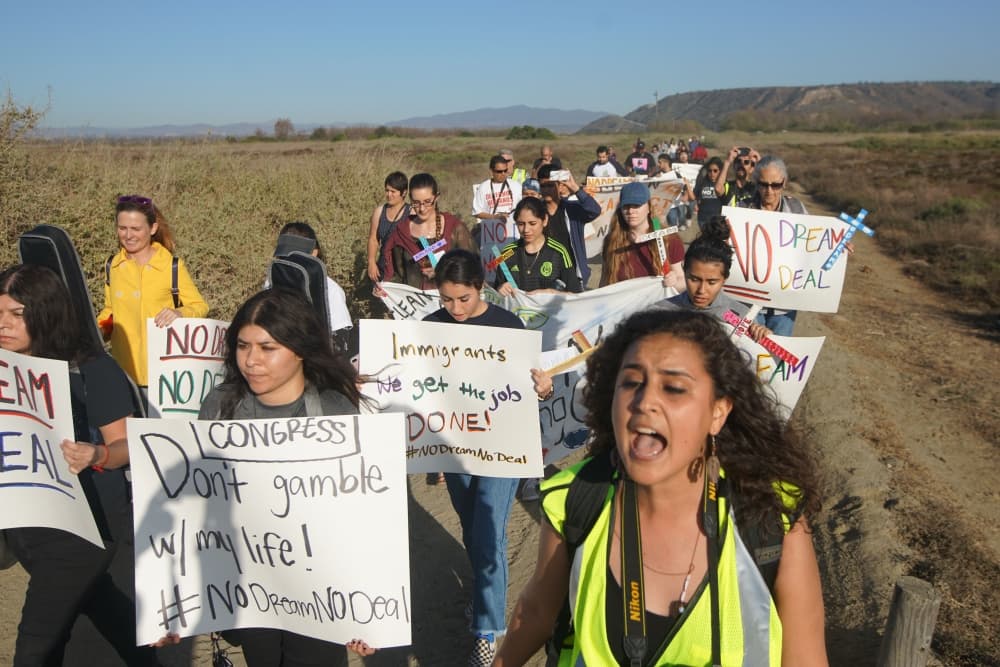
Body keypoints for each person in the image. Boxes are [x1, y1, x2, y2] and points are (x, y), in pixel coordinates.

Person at [494, 309, 827, 666]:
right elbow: (535, 613)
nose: (645, 401)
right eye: (632, 382)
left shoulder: (772, 516)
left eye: (674, 387)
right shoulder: (573, 499)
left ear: (718, 413)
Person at [198, 288, 364, 667]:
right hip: (250, 589)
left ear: (300, 349)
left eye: (266, 348)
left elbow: (363, 518)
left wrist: (368, 609)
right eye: (242, 346)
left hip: (321, 591)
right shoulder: (220, 407)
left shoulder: (336, 415)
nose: (251, 361)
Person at [1, 264, 156, 667]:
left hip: (85, 529)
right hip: (28, 528)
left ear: (46, 312)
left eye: (17, 314)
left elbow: (127, 443)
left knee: (35, 645)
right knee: (114, 621)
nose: (4, 324)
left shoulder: (91, 369)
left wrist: (96, 454)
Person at [424, 249, 554, 666]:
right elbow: (413, 385)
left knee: (492, 532)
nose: (455, 309)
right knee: (472, 527)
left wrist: (543, 386)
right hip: (457, 451)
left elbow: (529, 384)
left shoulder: (508, 325)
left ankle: (488, 628)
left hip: (502, 450)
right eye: (446, 300)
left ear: (480, 288)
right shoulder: (429, 328)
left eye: (463, 299)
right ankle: (484, 596)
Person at [97, 194, 209, 392]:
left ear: (153, 228)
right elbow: (111, 310)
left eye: (136, 229)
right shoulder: (111, 265)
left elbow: (200, 306)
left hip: (164, 378)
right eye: (122, 228)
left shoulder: (171, 266)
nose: (128, 235)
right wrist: (97, 331)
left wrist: (179, 313)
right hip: (123, 375)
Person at [655, 216, 771, 341]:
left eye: (711, 282)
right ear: (684, 271)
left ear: (724, 279)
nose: (701, 290)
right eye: (694, 279)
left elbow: (758, 358)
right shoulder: (660, 313)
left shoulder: (742, 317)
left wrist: (765, 339)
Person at [739, 156, 808, 336]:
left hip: (784, 304)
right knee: (749, 354)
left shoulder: (796, 208)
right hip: (749, 301)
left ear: (784, 183)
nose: (769, 190)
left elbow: (813, 244)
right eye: (763, 184)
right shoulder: (741, 209)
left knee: (776, 356)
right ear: (756, 183)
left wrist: (837, 245)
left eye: (775, 185)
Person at [381, 173, 476, 290]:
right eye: (416, 202)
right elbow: (396, 274)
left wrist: (444, 272)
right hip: (414, 305)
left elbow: (473, 266)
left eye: (427, 201)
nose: (421, 208)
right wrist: (386, 288)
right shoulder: (401, 233)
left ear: (436, 197)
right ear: (410, 198)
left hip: (450, 303)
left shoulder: (454, 228)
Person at [270, 221, 353, 334]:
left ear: (314, 253)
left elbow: (339, 337)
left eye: (295, 257)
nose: (288, 262)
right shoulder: (270, 282)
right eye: (285, 256)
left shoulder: (330, 289)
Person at [599, 182, 684, 288]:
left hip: (659, 303)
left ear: (649, 207)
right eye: (626, 206)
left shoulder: (669, 239)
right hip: (625, 303)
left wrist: (674, 282)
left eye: (636, 205)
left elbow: (683, 280)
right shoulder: (611, 240)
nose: (631, 211)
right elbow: (604, 282)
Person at [495, 197, 582, 295]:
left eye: (532, 223)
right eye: (521, 224)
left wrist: (551, 292)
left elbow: (575, 294)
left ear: (544, 220)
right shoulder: (506, 252)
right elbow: (495, 290)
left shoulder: (559, 251)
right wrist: (500, 288)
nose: (526, 230)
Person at [537, 165, 601, 287]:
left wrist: (576, 188)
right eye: (543, 186)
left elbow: (595, 210)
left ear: (560, 186)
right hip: (544, 275)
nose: (546, 190)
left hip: (573, 275)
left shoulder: (572, 209)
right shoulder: (535, 211)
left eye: (550, 185)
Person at [367, 171, 410, 282]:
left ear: (404, 192)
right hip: (383, 267)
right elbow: (373, 239)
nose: (389, 195)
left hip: (406, 270)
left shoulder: (411, 212)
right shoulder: (379, 211)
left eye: (393, 191)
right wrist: (371, 263)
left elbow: (423, 241)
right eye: (387, 190)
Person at [472, 155, 522, 230]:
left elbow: (524, 208)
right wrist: (494, 217)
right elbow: (477, 212)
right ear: (491, 171)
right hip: (490, 231)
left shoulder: (516, 186)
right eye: (499, 171)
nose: (503, 174)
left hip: (513, 230)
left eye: (505, 170)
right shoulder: (483, 187)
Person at [694, 157, 728, 229]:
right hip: (703, 219)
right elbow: (696, 196)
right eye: (710, 171)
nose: (712, 173)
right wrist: (696, 203)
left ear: (720, 171)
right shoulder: (702, 183)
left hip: (717, 221)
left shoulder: (724, 184)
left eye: (715, 171)